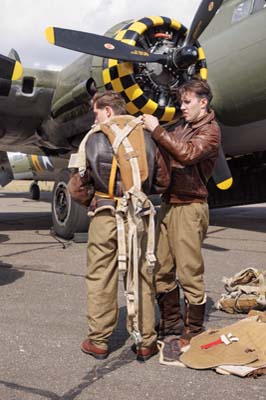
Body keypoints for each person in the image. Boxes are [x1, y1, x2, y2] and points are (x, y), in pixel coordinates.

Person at [68, 91, 170, 361]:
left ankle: (99, 341)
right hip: (139, 216)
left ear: (108, 111)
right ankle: (146, 341)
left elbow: (78, 186)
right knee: (142, 274)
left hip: (105, 214)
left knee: (101, 276)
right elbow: (162, 182)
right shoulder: (148, 136)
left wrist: (96, 200)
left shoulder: (93, 137)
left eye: (97, 112)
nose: (96, 117)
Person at [142, 79, 221, 350]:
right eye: (181, 102)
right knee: (161, 268)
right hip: (169, 204)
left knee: (189, 272)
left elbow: (186, 154)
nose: (182, 107)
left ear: (203, 102)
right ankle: (171, 322)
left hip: (190, 207)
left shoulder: (210, 132)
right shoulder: (182, 126)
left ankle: (193, 328)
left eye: (187, 102)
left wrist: (156, 131)